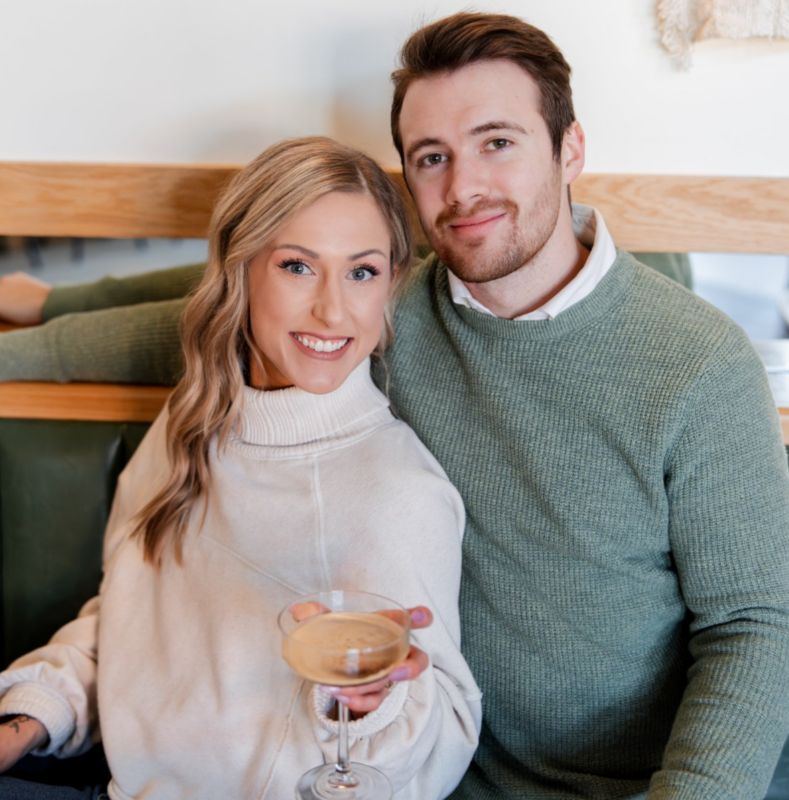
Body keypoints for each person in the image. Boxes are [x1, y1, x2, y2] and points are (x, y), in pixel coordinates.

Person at [0, 11, 789, 800]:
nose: (464, 187)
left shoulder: (697, 363)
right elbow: (215, 302)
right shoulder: (383, 311)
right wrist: (48, 305)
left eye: (497, 143)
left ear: (570, 150)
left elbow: (755, 628)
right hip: (417, 771)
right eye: (432, 157)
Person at [0, 137, 481, 799]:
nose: (333, 310)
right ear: (240, 268)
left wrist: (375, 706)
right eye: (298, 266)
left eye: (362, 272)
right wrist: (27, 719)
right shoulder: (194, 419)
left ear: (391, 284)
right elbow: (129, 623)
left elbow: (442, 738)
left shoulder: (395, 491)